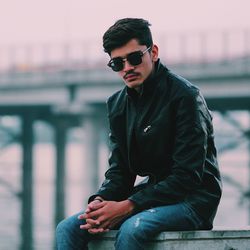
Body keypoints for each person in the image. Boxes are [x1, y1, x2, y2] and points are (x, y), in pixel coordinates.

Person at [56, 18, 222, 250]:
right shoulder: (117, 104)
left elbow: (187, 176)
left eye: (134, 58)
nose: (127, 68)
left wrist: (128, 205)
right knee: (67, 228)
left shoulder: (185, 97)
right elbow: (120, 170)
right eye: (117, 63)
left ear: (153, 52)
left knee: (133, 229)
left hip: (194, 200)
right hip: (149, 196)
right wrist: (100, 201)